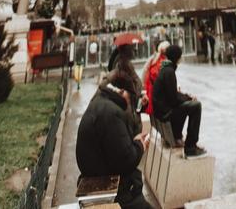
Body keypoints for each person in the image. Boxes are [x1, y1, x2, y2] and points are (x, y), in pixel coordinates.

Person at [76, 72, 151, 209]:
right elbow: (126, 160)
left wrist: (134, 142)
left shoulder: (101, 101)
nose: (130, 102)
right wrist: (141, 145)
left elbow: (116, 147)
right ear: (122, 91)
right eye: (130, 96)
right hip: (105, 179)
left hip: (96, 171)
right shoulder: (111, 113)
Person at [152, 44, 206, 157]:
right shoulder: (169, 72)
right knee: (196, 106)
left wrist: (187, 97)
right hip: (165, 114)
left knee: (190, 104)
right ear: (177, 58)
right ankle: (191, 146)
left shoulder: (166, 69)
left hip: (162, 112)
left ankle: (179, 137)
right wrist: (188, 99)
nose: (181, 58)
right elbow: (174, 99)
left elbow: (173, 94)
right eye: (180, 56)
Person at [142, 40, 170, 117]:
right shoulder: (163, 62)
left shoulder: (154, 58)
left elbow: (145, 71)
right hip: (155, 93)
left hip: (150, 89)